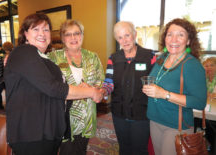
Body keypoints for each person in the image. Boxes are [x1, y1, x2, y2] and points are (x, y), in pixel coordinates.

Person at [4, 13, 104, 155]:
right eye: (35, 29)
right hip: (31, 134)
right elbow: (53, 88)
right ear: (25, 33)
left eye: (46, 29)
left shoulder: (46, 59)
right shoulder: (24, 52)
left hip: (50, 132)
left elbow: (52, 88)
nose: (42, 34)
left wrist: (82, 88)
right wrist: (91, 92)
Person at [142, 18, 207, 155]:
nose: (174, 39)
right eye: (170, 34)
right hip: (155, 120)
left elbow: (200, 102)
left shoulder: (192, 65)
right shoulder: (162, 58)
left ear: (188, 41)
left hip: (176, 126)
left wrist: (163, 94)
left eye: (180, 35)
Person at [48, 19, 105, 155]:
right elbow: (49, 85)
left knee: (81, 150)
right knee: (66, 152)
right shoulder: (53, 57)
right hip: (64, 119)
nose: (73, 38)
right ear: (62, 38)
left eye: (77, 33)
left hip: (86, 117)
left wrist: (95, 89)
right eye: (68, 34)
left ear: (82, 36)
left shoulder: (92, 57)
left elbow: (101, 81)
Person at [102, 21, 156, 155]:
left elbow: (157, 82)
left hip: (141, 113)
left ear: (134, 34)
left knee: (140, 150)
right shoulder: (113, 58)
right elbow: (109, 82)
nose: (124, 41)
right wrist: (103, 91)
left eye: (127, 35)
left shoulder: (149, 56)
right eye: (120, 37)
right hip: (119, 113)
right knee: (124, 148)